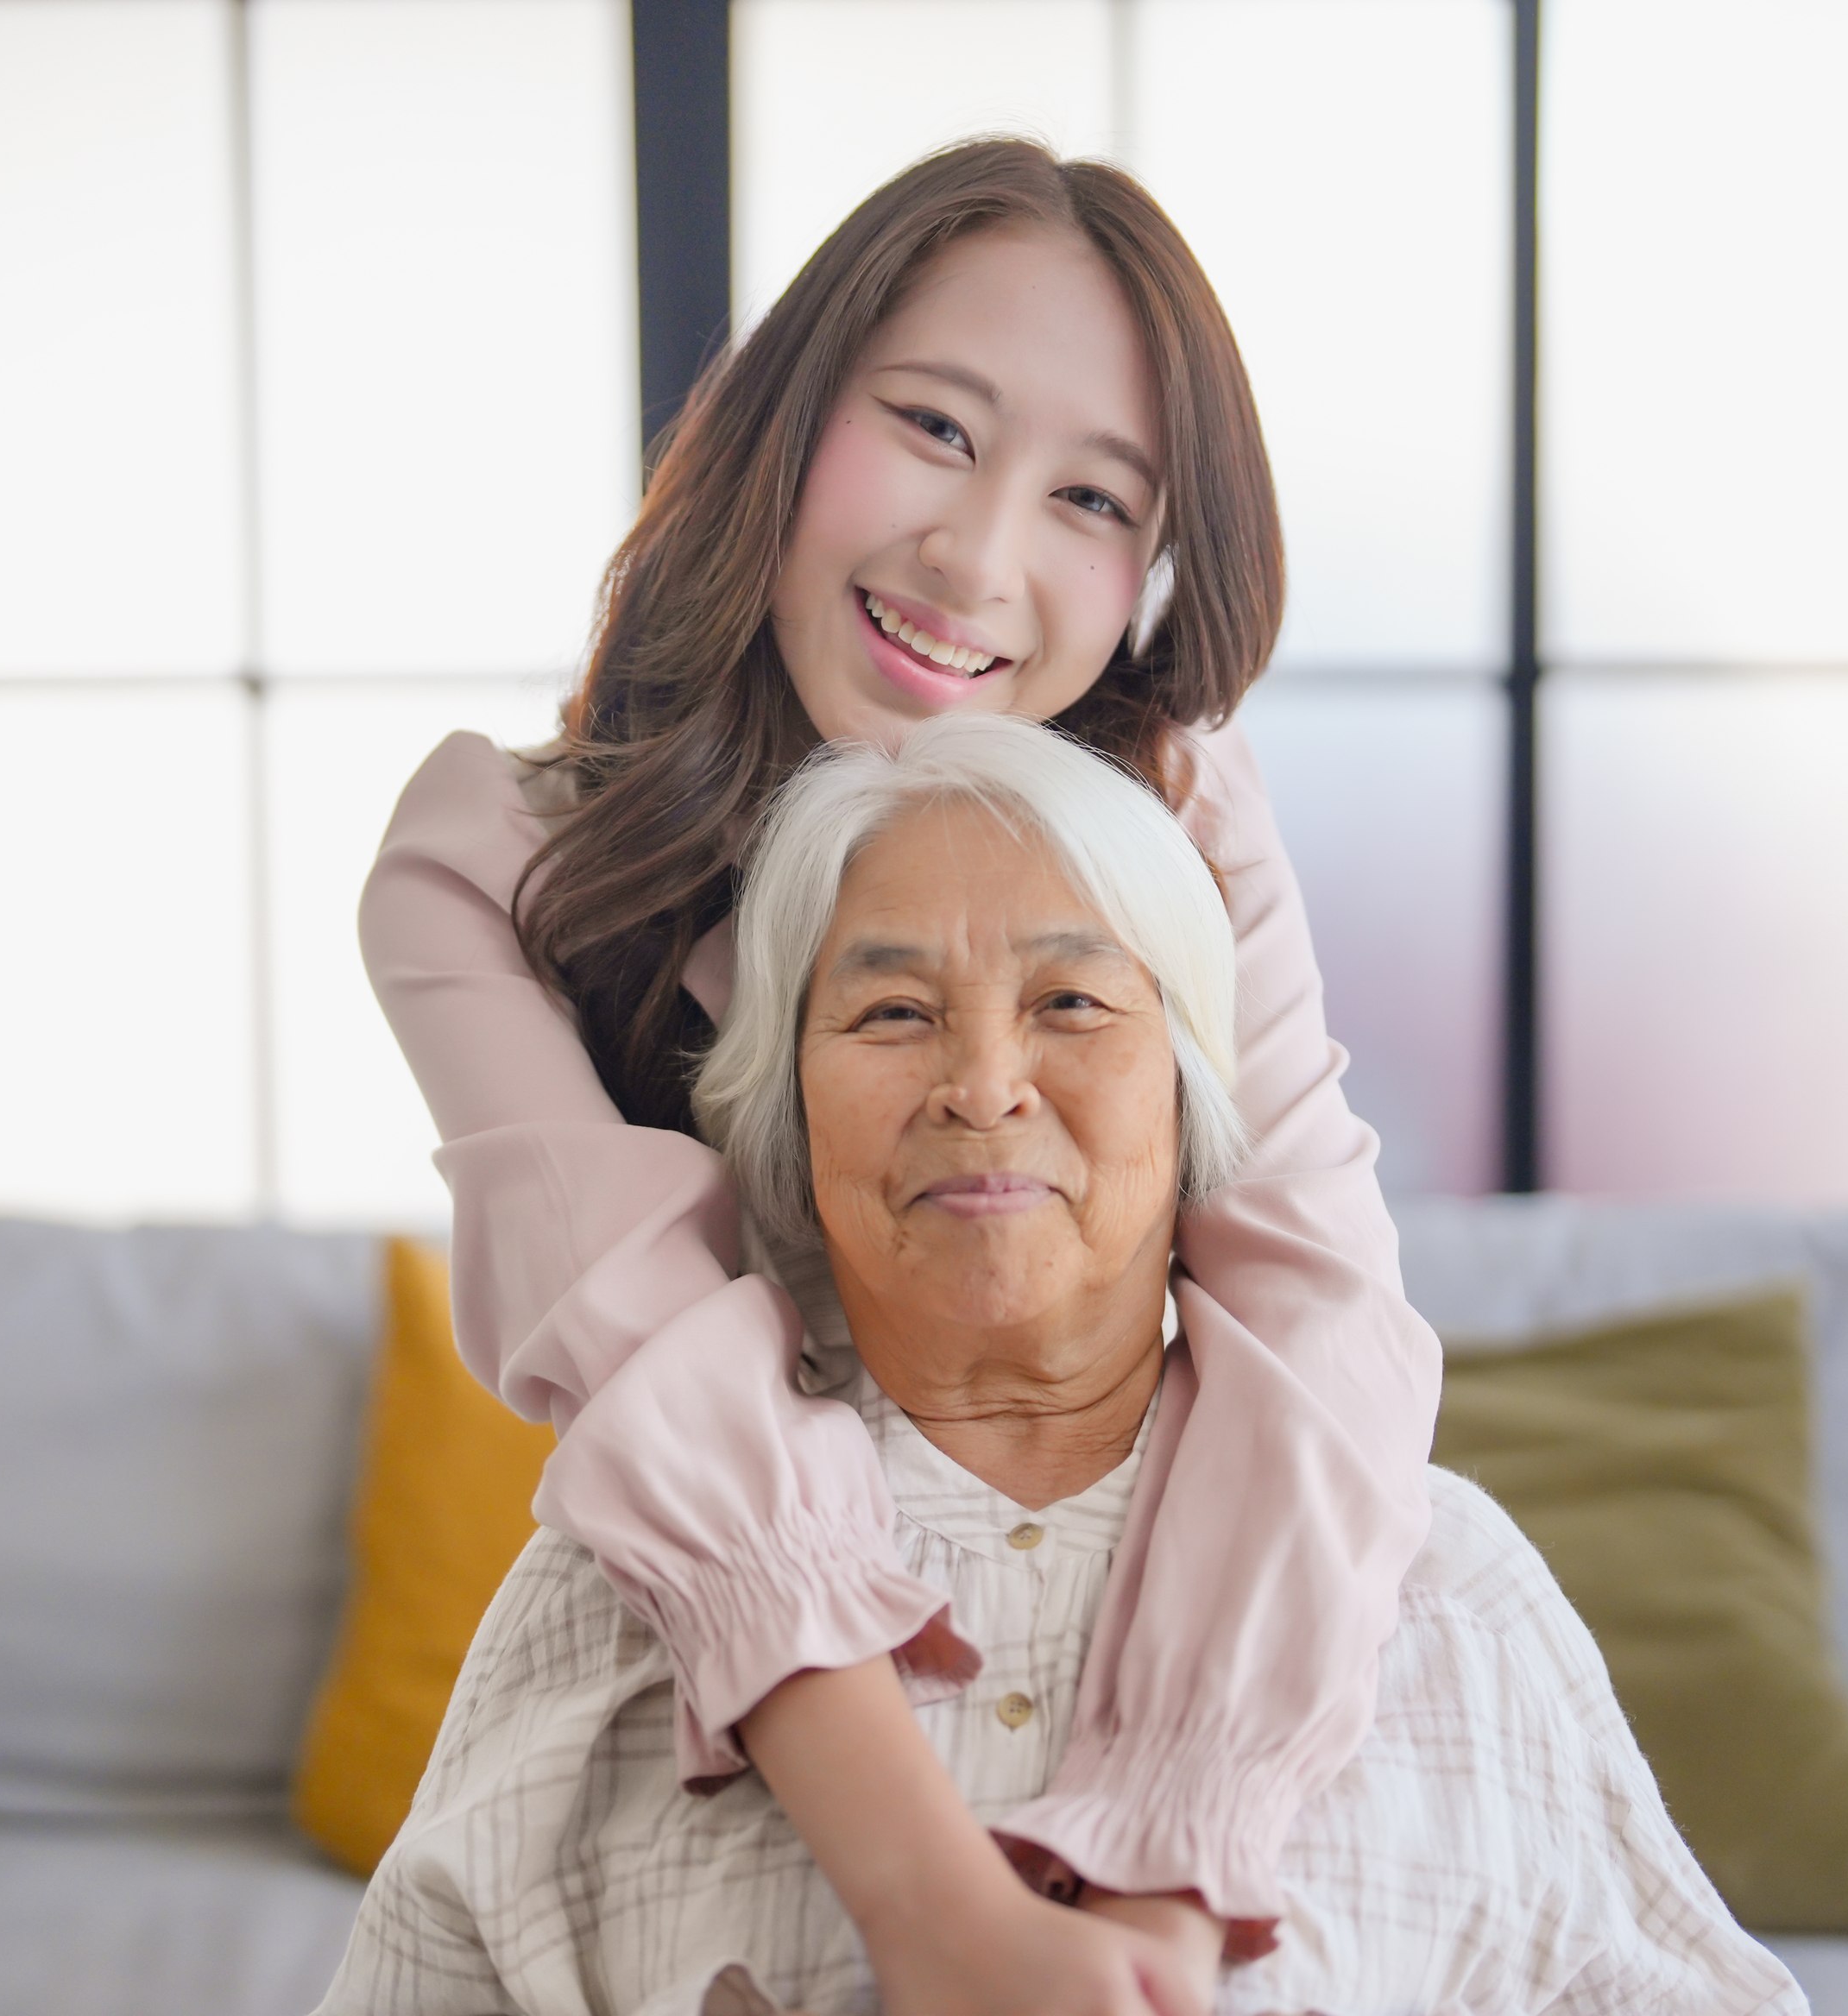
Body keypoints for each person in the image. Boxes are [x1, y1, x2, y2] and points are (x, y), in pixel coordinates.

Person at [361, 139, 1438, 2009]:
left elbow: (1316, 1312)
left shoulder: (1175, 814)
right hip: (741, 1681)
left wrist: (1166, 1883)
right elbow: (650, 1361)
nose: (979, 555)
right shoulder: (495, 868)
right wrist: (938, 1913)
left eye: (1093, 498)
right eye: (935, 428)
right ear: (788, 420)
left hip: (1163, 1623)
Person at [320, 716, 1805, 2016]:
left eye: (1073, 1003)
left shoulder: (1448, 1588)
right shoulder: (605, 1600)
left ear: (1195, 1099)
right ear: (789, 1127)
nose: (982, 1084)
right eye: (892, 1012)